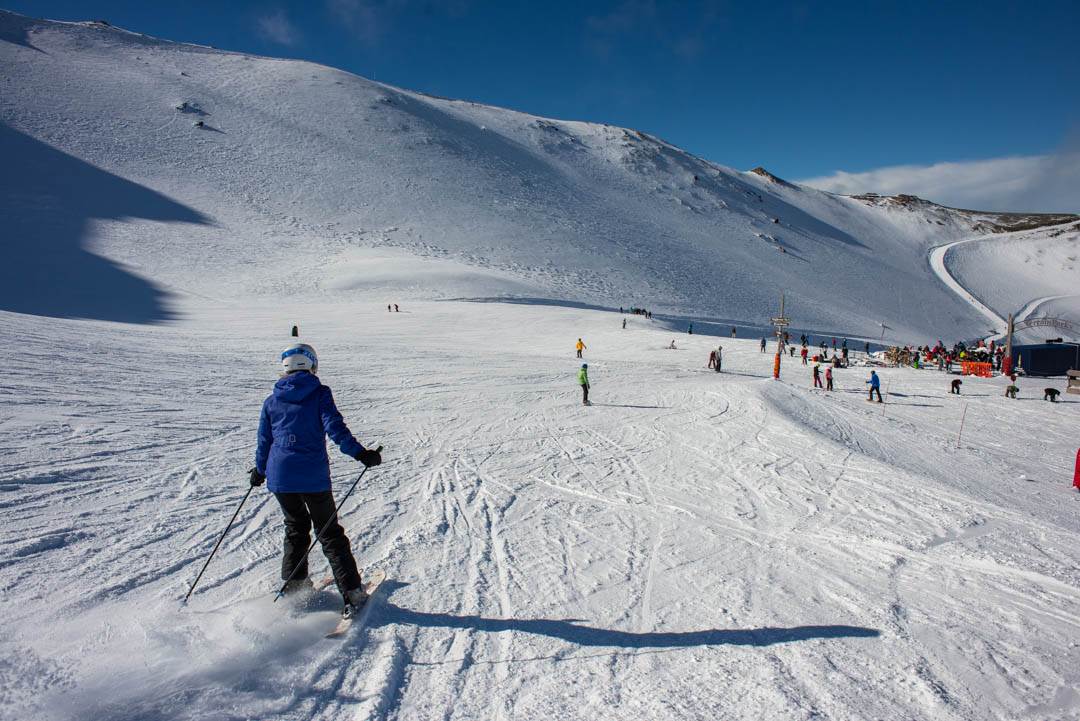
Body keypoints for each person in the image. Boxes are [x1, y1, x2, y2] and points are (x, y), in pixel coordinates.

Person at [250, 343, 382, 617]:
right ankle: (352, 593)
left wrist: (260, 470)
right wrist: (360, 453)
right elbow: (334, 427)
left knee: (296, 528)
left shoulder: (272, 400)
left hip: (280, 477)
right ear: (312, 364)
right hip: (312, 477)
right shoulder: (319, 393)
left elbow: (265, 440)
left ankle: (295, 585)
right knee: (329, 533)